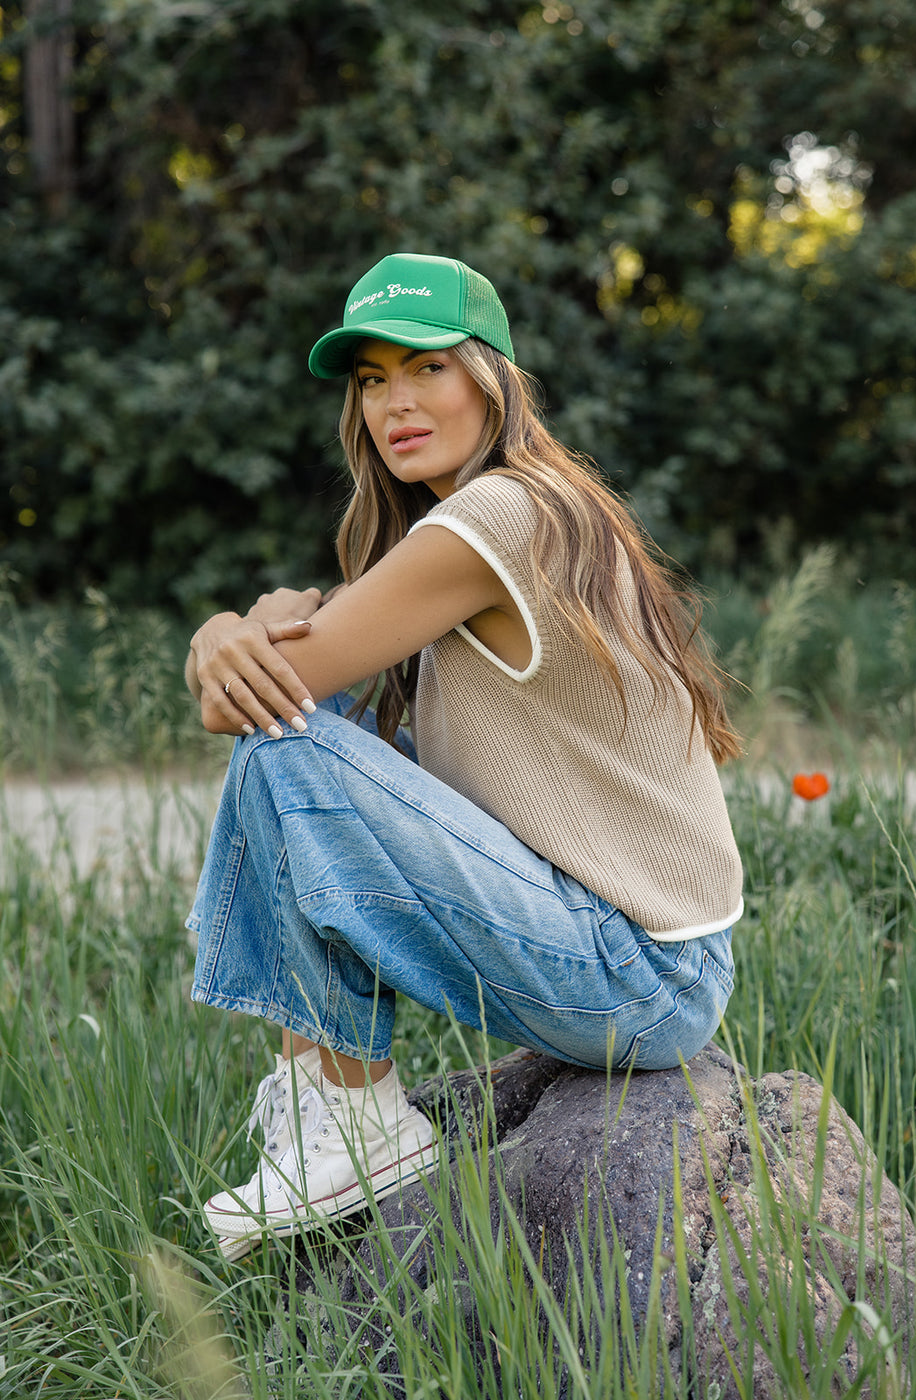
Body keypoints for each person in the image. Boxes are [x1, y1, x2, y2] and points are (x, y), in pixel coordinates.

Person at [185, 251, 744, 1262]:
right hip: (647, 965)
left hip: (639, 973)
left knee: (288, 742)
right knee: (322, 727)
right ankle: (328, 1105)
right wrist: (257, 634)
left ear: (490, 377)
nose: (394, 401)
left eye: (425, 366)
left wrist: (230, 624)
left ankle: (352, 1117)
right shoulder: (513, 509)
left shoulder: (501, 513)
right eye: (370, 378)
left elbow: (254, 693)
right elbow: (311, 680)